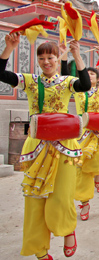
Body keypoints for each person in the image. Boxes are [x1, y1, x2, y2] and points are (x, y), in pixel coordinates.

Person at [0, 36, 91, 259]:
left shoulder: (67, 82)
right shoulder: (29, 81)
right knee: (34, 198)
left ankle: (67, 229)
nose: (46, 62)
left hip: (64, 145)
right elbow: (1, 75)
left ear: (58, 57)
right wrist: (8, 48)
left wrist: (77, 56)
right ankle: (39, 249)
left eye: (50, 57)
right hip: (36, 144)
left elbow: (85, 85)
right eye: (41, 58)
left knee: (61, 193)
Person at [72, 45, 99, 221]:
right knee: (81, 167)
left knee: (97, 161)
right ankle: (85, 202)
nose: (90, 76)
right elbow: (67, 74)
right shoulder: (78, 91)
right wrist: (72, 54)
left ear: (97, 78)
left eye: (93, 74)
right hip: (82, 133)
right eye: (87, 74)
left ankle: (98, 174)